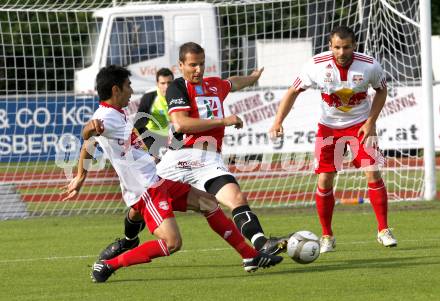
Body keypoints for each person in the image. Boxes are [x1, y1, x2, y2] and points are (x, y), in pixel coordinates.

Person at [62, 65, 283, 283]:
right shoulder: (106, 116)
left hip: (157, 180)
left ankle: (250, 256)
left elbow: (90, 144)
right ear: (115, 90)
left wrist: (81, 175)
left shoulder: (117, 114)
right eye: (128, 86)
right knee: (172, 242)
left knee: (208, 202)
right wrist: (88, 129)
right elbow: (88, 134)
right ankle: (109, 265)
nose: (131, 91)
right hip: (146, 190)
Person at [97, 43, 291, 261]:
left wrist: (252, 78)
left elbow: (232, 83)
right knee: (138, 206)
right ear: (181, 65)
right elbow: (180, 124)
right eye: (192, 65)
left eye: (201, 64)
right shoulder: (177, 87)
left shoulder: (215, 86)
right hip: (178, 156)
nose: (197, 70)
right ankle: (128, 240)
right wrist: (224, 120)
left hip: (209, 160)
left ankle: (261, 245)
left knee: (235, 197)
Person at [269, 26, 397, 253]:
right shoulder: (315, 65)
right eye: (337, 47)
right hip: (328, 129)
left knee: (373, 171)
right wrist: (278, 121)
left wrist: (371, 122)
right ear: (330, 46)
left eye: (346, 47)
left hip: (360, 127)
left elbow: (381, 91)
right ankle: (327, 235)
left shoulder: (369, 65)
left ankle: (383, 230)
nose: (341, 52)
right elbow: (292, 91)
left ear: (354, 46)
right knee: (324, 182)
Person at [134, 67, 174, 159]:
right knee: (156, 160)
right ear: (157, 84)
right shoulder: (149, 97)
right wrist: (145, 141)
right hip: (153, 135)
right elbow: (138, 124)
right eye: (163, 83)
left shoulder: (178, 95)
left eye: (169, 83)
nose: (166, 86)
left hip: (173, 136)